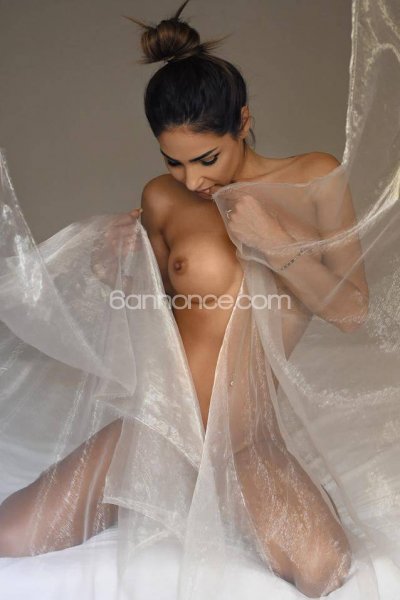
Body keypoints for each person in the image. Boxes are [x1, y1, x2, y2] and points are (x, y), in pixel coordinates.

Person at [0, 1, 378, 598]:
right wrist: (111, 269)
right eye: (172, 161)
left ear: (243, 122)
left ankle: (239, 490)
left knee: (323, 568)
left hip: (243, 440)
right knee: (10, 536)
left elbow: (353, 312)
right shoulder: (162, 197)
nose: (193, 180)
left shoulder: (314, 178)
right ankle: (151, 486)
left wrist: (277, 245)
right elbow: (152, 312)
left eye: (207, 158)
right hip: (159, 425)